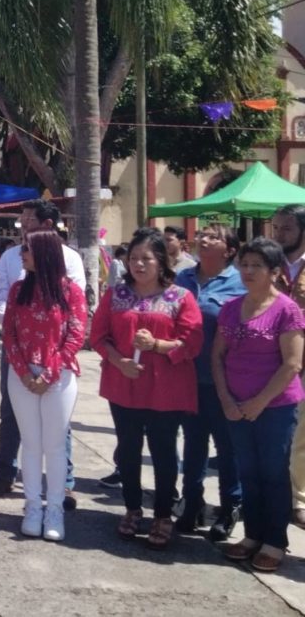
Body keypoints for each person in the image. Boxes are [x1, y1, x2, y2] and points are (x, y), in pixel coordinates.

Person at [90, 227, 202, 548]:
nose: (138, 264)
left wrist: (157, 345)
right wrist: (119, 361)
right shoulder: (116, 295)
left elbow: (192, 342)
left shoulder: (180, 297)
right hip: (124, 385)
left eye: (147, 258)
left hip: (165, 389)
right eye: (134, 258)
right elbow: (98, 336)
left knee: (163, 452)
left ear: (161, 261)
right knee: (128, 450)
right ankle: (132, 507)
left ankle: (163, 514)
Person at [214, 237, 305, 573]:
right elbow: (217, 356)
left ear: (274, 271)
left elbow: (292, 364)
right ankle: (252, 535)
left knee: (273, 474)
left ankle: (274, 542)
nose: (248, 271)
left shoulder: (287, 310)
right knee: (248, 472)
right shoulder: (231, 307)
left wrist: (259, 402)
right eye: (245, 264)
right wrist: (226, 399)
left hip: (275, 407)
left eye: (257, 266)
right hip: (236, 406)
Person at [0, 199, 85, 506]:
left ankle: (63, 484)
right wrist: (17, 319)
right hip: (18, 350)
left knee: (58, 425)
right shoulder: (10, 258)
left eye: (28, 220)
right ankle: (6, 471)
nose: (23, 225)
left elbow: (74, 318)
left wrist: (51, 367)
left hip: (56, 356)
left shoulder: (70, 259)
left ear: (47, 224)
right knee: (11, 413)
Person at [173, 224, 245, 539]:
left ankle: (230, 507)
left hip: (225, 382)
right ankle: (192, 503)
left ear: (230, 250)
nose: (203, 239)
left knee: (227, 448)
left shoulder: (239, 282)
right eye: (202, 234)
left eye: (214, 237)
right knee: (193, 445)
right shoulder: (183, 278)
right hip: (188, 378)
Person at [271, 204, 305, 530]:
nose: (279, 235)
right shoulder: (266, 263)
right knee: (275, 434)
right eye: (276, 228)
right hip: (269, 363)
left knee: (302, 436)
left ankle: (299, 500)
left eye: (287, 228)